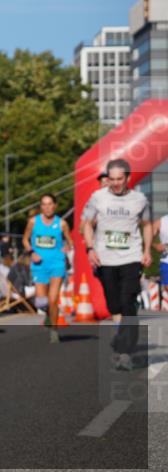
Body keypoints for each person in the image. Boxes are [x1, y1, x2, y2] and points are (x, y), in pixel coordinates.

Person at [81, 158, 153, 371]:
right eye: (111, 179)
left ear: (128, 178)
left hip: (131, 257)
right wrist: (90, 248)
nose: (115, 183)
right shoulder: (97, 197)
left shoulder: (140, 199)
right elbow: (86, 224)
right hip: (105, 259)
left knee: (127, 301)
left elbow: (147, 225)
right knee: (114, 304)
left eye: (119, 179)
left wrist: (147, 250)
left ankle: (125, 352)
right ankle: (123, 335)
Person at [21, 194, 73, 342]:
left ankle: (54, 331)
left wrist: (67, 247)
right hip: (39, 264)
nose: (47, 207)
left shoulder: (62, 224)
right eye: (44, 204)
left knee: (53, 299)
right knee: (41, 302)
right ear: (41, 207)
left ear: (55, 206)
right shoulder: (33, 222)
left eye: (50, 204)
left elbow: (70, 241)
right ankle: (49, 315)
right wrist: (31, 252)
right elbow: (25, 239)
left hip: (57, 263)